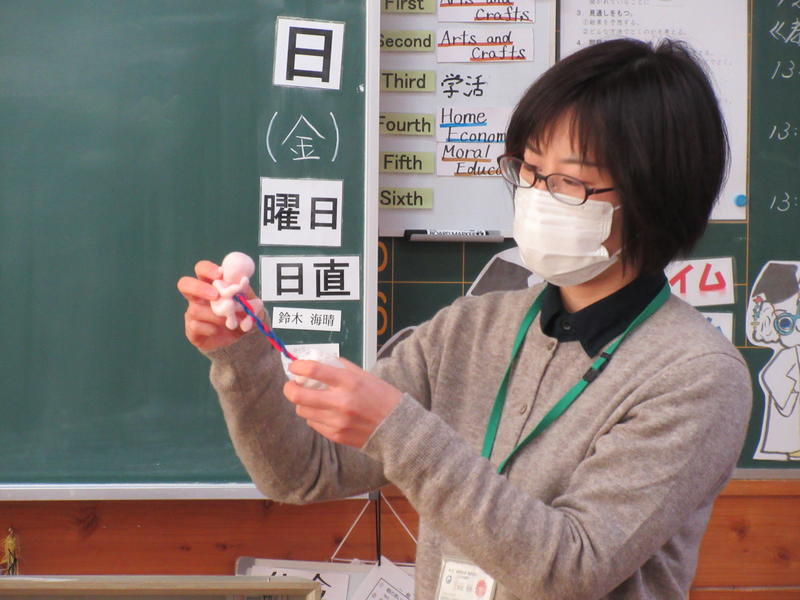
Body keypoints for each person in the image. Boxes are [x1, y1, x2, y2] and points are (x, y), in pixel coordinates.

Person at [178, 39, 752, 600]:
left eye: (569, 182)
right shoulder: (471, 328)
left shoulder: (696, 376)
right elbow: (303, 472)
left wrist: (399, 430)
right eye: (529, 170)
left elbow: (571, 569)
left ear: (653, 196)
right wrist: (241, 357)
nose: (537, 195)